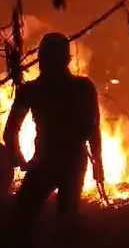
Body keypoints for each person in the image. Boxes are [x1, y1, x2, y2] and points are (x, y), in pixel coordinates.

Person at [2, 32, 104, 247]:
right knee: (64, 222)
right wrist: (97, 162)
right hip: (70, 162)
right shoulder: (82, 87)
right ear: (67, 59)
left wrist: (19, 160)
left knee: (23, 220)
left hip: (50, 162)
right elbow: (93, 129)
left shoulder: (32, 90)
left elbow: (10, 132)